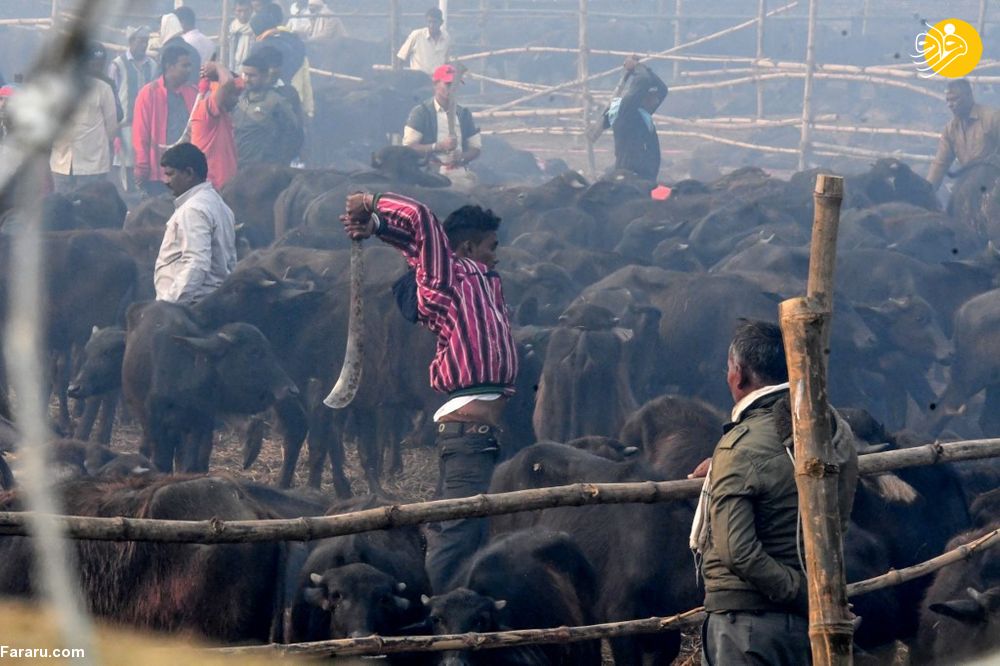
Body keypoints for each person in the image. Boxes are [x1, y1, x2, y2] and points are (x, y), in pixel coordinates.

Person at [340, 192, 517, 592]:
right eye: (492, 247)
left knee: (469, 531)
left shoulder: (482, 280)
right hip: (468, 436)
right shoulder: (447, 279)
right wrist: (371, 201)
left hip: (481, 436)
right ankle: (433, 610)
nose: (497, 256)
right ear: (467, 248)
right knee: (456, 535)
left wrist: (379, 228)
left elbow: (421, 246)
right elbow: (420, 218)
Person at [689, 320, 858, 666]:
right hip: (809, 623)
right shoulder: (833, 430)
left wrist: (802, 593)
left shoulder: (740, 448)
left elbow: (737, 552)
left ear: (738, 375)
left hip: (748, 625)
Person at [153, 143, 236, 306]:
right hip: (212, 298)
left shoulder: (193, 210)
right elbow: (230, 260)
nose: (166, 181)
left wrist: (169, 306)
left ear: (189, 173)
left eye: (170, 174)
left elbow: (196, 262)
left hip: (191, 304)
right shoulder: (218, 204)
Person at [49, 43, 118, 193]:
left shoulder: (103, 88)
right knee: (61, 207)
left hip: (92, 165)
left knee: (88, 208)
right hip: (61, 162)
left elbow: (112, 128)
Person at [132, 44, 198, 196]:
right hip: (160, 174)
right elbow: (141, 135)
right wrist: (142, 168)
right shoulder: (149, 93)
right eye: (184, 65)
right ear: (170, 66)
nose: (189, 70)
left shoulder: (193, 93)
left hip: (187, 172)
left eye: (190, 66)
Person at [403, 64, 481, 190]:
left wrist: (462, 157)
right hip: (430, 174)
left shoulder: (464, 113)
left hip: (459, 173)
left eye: (455, 85)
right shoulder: (421, 113)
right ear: (435, 84)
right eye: (448, 84)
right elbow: (409, 147)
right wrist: (438, 146)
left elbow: (475, 148)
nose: (452, 89)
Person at [600, 56, 668, 182]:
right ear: (642, 96)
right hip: (630, 174)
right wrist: (637, 67)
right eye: (652, 96)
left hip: (646, 175)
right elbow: (643, 80)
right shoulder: (625, 110)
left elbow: (663, 89)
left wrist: (645, 68)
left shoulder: (643, 112)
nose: (656, 100)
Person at [926, 79, 1000, 191]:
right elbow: (940, 164)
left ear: (969, 96)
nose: (950, 105)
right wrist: (927, 191)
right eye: (948, 100)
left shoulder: (992, 118)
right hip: (969, 187)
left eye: (955, 99)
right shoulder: (950, 130)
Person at [109, 26, 158, 192]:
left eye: (146, 41)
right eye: (140, 41)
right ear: (131, 42)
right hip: (125, 127)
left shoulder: (152, 65)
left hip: (148, 126)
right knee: (126, 167)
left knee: (145, 164)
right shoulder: (118, 65)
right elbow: (112, 95)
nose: (144, 45)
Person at [232, 51, 302, 166]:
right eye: (245, 74)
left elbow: (294, 132)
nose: (247, 79)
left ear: (264, 76)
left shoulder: (276, 102)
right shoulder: (237, 98)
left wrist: (279, 162)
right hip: (235, 164)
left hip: (261, 169)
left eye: (252, 76)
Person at [250, 2, 314, 120]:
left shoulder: (259, 48)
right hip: (296, 102)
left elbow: (254, 80)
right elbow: (306, 79)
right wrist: (309, 110)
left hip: (270, 107)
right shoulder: (296, 41)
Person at [190, 62, 242, 190]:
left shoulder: (223, 113)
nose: (236, 100)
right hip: (212, 187)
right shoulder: (206, 110)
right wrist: (217, 66)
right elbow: (227, 82)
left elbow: (237, 82)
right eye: (232, 94)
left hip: (224, 187)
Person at [396, 7, 449, 76]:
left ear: (441, 22)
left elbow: (447, 61)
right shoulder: (416, 35)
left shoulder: (446, 38)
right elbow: (401, 57)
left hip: (438, 80)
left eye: (434, 22)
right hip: (418, 80)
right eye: (429, 22)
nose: (431, 25)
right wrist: (400, 77)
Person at [159, 12, 201, 86]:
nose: (159, 32)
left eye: (160, 28)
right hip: (193, 93)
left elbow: (157, 78)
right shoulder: (193, 50)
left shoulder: (166, 51)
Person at [228, 0, 255, 73]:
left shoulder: (256, 25)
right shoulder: (233, 27)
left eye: (246, 11)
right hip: (235, 67)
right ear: (234, 11)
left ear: (251, 10)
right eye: (239, 11)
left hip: (252, 69)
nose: (243, 14)